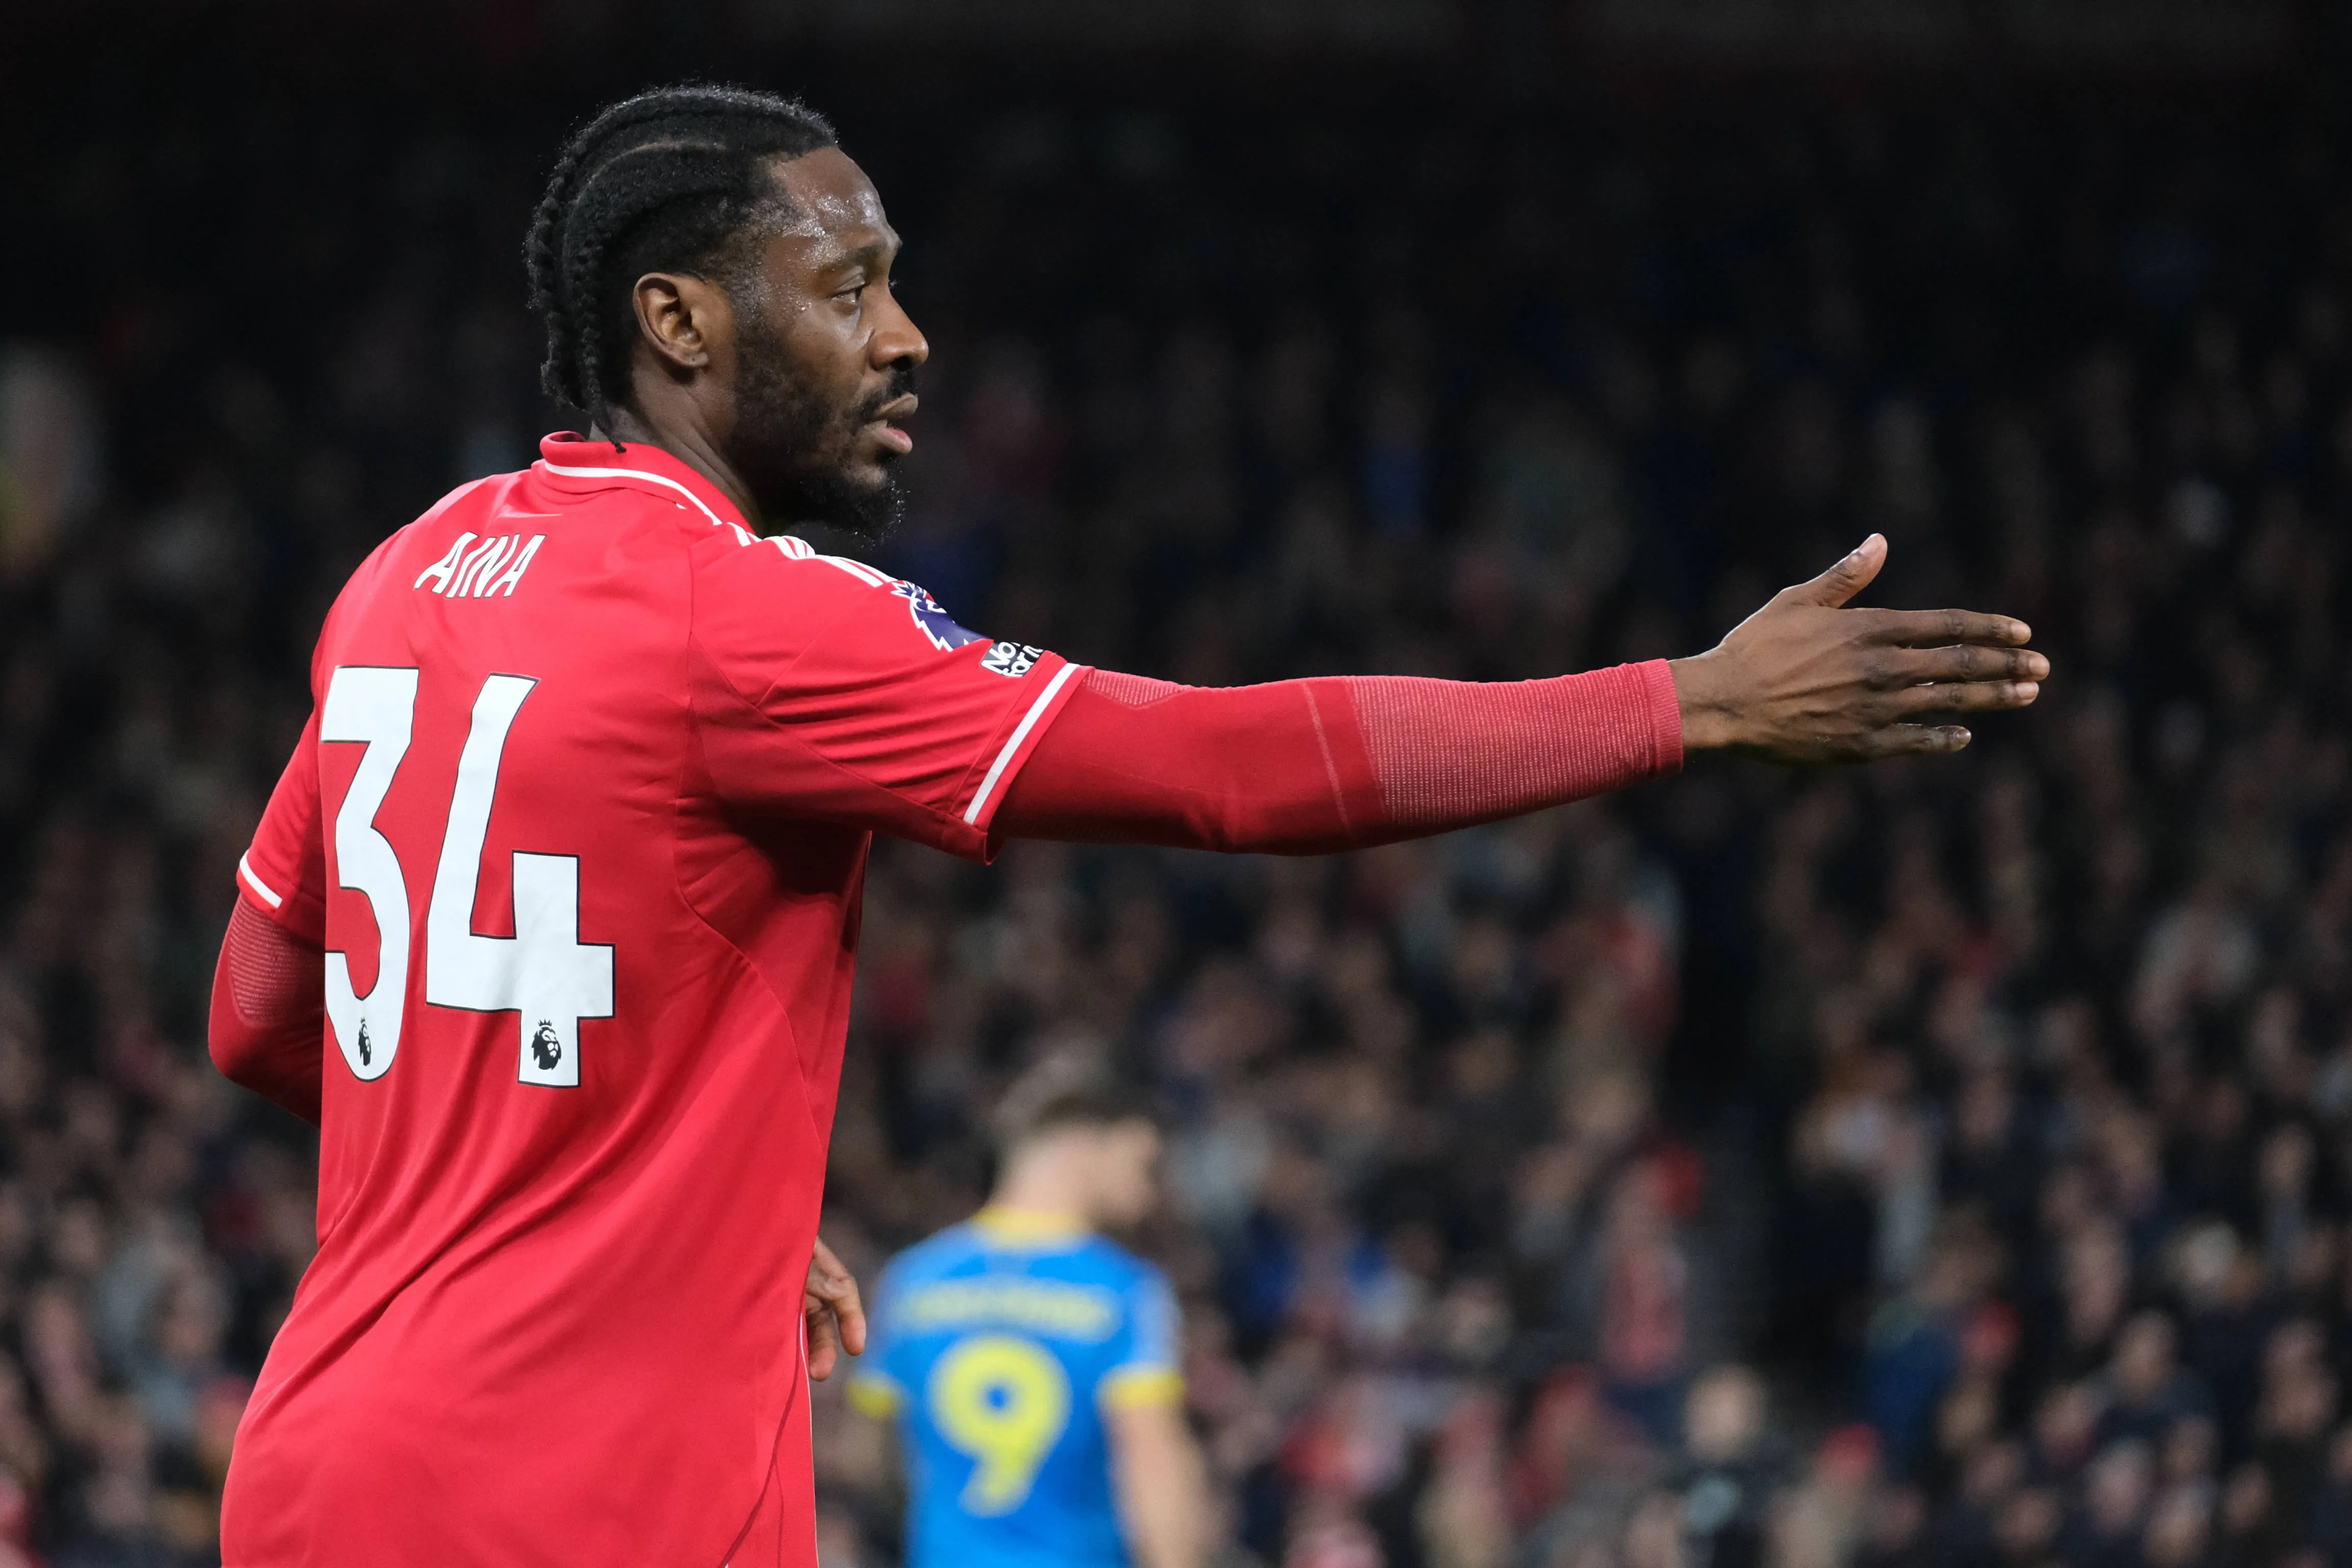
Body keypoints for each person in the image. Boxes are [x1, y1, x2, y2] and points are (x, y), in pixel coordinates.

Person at [203, 83, 2047, 1567]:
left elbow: (262, 1020)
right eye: (846, 287)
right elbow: (1224, 771)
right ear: (675, 320)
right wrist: (1688, 703)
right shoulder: (741, 614)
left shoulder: (408, 577)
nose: (907, 337)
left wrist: (650, 1184)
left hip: (315, 1469)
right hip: (580, 1504)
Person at [848, 1065, 1203, 1568]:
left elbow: (869, 1453)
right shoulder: (1121, 1291)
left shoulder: (913, 1280)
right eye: (1142, 1164)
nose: (1149, 1194)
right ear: (1084, 1146)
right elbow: (1151, 1470)